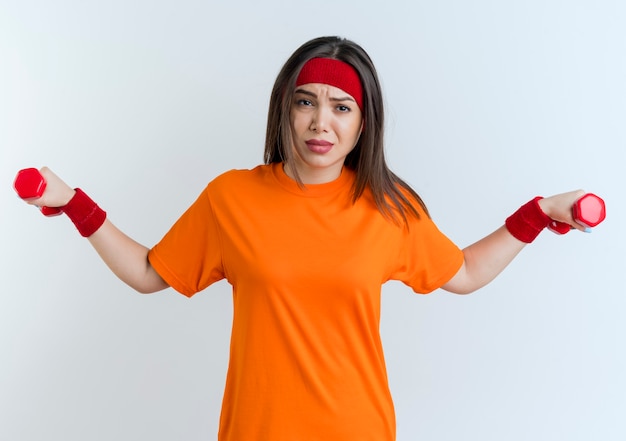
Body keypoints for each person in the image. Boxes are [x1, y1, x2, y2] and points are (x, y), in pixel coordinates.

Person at [20, 36, 590, 441]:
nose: (322, 122)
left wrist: (537, 214)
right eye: (305, 102)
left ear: (362, 123)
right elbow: (149, 272)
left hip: (358, 432)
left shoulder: (388, 206)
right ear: (284, 111)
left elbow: (462, 272)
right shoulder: (231, 197)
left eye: (341, 107)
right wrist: (73, 203)